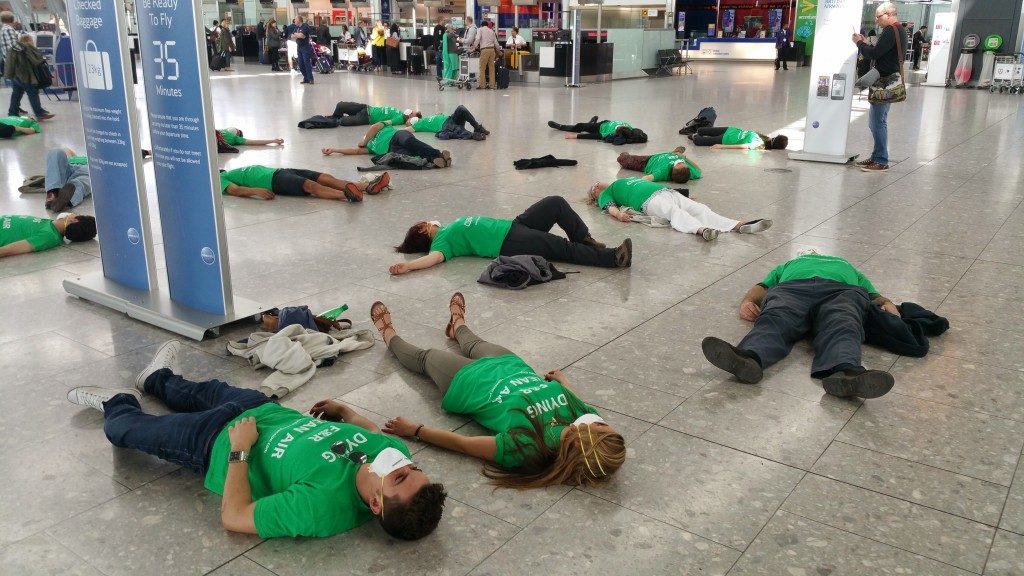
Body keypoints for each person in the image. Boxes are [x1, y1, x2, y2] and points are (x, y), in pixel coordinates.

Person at [65, 340, 447, 539]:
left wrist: (240, 451)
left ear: (377, 505)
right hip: (262, 410)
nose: (400, 463)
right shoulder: (393, 453)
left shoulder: (322, 509)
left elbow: (234, 518)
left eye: (398, 476)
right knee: (196, 390)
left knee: (124, 431)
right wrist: (345, 412)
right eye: (412, 467)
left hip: (214, 443)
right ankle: (156, 378)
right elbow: (375, 435)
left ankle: (117, 403)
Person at [370, 296, 626, 488]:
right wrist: (563, 380)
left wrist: (416, 431)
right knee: (475, 343)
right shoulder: (583, 420)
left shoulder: (528, 447)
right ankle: (456, 324)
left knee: (426, 358)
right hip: (513, 367)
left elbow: (465, 444)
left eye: (603, 428)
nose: (604, 423)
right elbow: (576, 400)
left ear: (586, 440)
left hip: (471, 383)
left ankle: (388, 334)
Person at [701, 250, 897, 400]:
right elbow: (762, 286)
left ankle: (846, 373)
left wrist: (887, 304)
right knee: (776, 318)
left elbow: (875, 296)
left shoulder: (848, 266)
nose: (815, 254)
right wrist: (747, 301)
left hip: (842, 292)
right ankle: (748, 358)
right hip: (792, 289)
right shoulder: (789, 264)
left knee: (843, 323)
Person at [387, 196, 632, 275]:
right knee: (560, 247)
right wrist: (408, 267)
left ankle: (585, 239)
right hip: (509, 242)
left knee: (555, 203)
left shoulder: (448, 227)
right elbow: (434, 259)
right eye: (425, 223)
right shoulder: (442, 241)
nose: (430, 222)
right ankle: (612, 258)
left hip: (515, 226)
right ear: (423, 230)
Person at [588, 178, 772, 241]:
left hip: (667, 192)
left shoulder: (620, 181)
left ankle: (737, 225)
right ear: (595, 194)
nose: (598, 184)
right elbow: (610, 207)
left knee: (700, 208)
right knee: (675, 213)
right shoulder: (607, 193)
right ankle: (701, 230)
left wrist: (681, 194)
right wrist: (619, 214)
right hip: (648, 202)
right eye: (595, 187)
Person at [852, 2, 907, 172]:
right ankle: (876, 156)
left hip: (884, 81)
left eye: (879, 17)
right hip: (888, 80)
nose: (877, 21)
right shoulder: (899, 30)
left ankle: (881, 160)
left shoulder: (891, 30)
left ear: (890, 14)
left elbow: (875, 53)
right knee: (878, 121)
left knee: (877, 123)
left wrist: (859, 44)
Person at [219, 164, 390, 202]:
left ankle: (365, 187)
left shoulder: (226, 172)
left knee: (326, 178)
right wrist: (256, 190)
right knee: (310, 186)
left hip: (280, 171)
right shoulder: (217, 179)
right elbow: (234, 191)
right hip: (274, 181)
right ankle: (347, 195)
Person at [321, 121, 452, 169]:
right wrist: (334, 150)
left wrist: (365, 140)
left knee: (410, 142)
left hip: (397, 135)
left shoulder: (376, 129)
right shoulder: (371, 147)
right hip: (391, 149)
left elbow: (375, 126)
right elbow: (355, 151)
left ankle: (437, 154)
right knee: (410, 155)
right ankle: (436, 160)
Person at [0, 212, 96, 258]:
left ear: (74, 220)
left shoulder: (49, 236)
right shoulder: (51, 224)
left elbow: (13, 249)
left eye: (75, 214)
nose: (72, 213)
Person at [4, 34, 52, 120]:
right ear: (29, 40)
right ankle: (39, 113)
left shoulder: (12, 48)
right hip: (27, 76)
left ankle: (12, 113)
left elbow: (9, 63)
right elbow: (36, 61)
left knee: (16, 95)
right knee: (33, 93)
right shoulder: (28, 48)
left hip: (15, 76)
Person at [615, 146, 701, 183]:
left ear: (673, 169)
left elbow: (646, 178)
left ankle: (625, 155)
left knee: (622, 159)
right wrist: (685, 158)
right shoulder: (690, 173)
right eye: (684, 164)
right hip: (667, 155)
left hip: (646, 162)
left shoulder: (663, 172)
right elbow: (698, 170)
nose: (680, 162)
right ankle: (675, 152)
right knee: (679, 151)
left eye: (679, 164)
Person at [407, 105, 489, 141]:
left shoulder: (426, 118)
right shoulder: (418, 125)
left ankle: (477, 128)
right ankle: (472, 135)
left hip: (450, 118)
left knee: (461, 108)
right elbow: (407, 129)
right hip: (446, 125)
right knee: (452, 129)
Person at [547, 117, 648, 145]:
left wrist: (575, 136)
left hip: (604, 125)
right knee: (580, 126)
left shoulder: (628, 126)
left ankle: (560, 127)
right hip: (601, 125)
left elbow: (594, 136)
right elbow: (596, 136)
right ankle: (561, 127)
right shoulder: (612, 132)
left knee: (583, 126)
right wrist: (575, 136)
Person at [325, 101, 420, 127]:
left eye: (412, 113)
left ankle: (331, 121)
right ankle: (334, 117)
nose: (411, 111)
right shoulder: (399, 111)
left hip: (367, 117)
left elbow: (385, 123)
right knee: (340, 105)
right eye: (412, 111)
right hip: (366, 108)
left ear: (410, 118)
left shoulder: (400, 119)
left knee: (342, 121)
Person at [689, 126, 788, 150]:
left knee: (699, 141)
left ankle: (695, 136)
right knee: (702, 130)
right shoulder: (764, 137)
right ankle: (696, 134)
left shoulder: (759, 144)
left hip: (726, 138)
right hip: (730, 131)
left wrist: (722, 147)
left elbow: (743, 146)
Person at [470, 19, 499, 89]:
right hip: (492, 50)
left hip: (485, 50)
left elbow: (477, 39)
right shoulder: (491, 31)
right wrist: (498, 50)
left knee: (482, 68)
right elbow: (496, 42)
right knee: (492, 68)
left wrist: (473, 47)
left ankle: (482, 85)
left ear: (481, 25)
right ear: (487, 25)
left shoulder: (480, 30)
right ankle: (492, 85)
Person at [288, 16, 315, 84]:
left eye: (295, 20)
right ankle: (306, 78)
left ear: (299, 20)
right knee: (300, 64)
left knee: (306, 62)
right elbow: (292, 36)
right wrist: (298, 35)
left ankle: (310, 78)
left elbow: (302, 36)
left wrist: (297, 35)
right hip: (299, 47)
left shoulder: (305, 26)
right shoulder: (296, 28)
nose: (294, 21)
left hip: (305, 47)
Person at [217, 127, 284, 147]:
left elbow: (253, 142)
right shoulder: (222, 130)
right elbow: (252, 142)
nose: (237, 129)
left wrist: (273, 141)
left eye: (238, 131)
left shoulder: (236, 139)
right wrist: (273, 141)